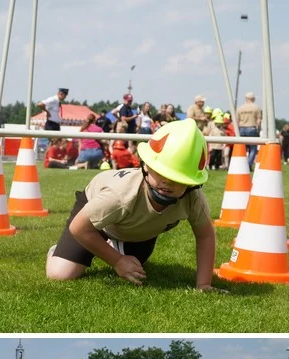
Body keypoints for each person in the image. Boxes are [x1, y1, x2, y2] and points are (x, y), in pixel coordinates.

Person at [46, 120, 222, 291]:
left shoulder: (193, 198)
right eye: (161, 172)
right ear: (145, 165)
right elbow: (79, 227)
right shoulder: (120, 194)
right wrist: (116, 260)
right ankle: (60, 250)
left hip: (137, 230)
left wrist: (204, 284)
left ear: (191, 183)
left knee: (136, 266)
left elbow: (205, 235)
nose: (167, 182)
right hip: (94, 208)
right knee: (61, 273)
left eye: (177, 178)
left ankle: (113, 244)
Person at [236, 92, 262, 168]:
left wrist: (237, 131)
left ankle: (242, 165)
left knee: (243, 148)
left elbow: (236, 121)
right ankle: (248, 165)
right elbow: (259, 120)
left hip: (242, 128)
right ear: (253, 98)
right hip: (252, 128)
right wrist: (259, 130)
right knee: (253, 148)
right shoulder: (256, 107)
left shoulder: (240, 108)